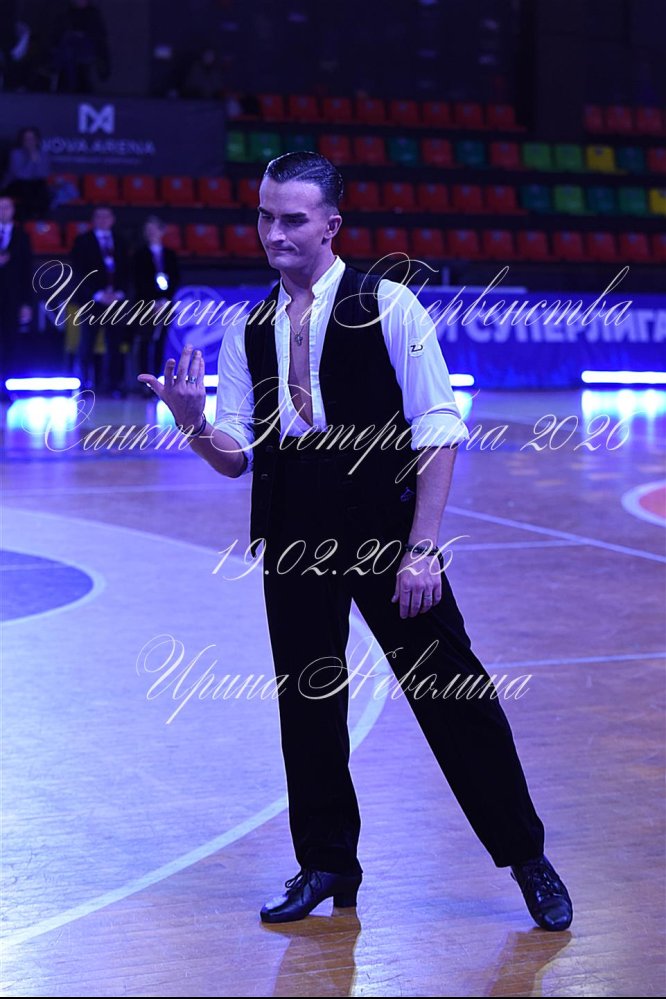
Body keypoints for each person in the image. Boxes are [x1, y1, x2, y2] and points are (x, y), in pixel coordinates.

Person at [138, 151, 573, 933]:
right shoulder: (250, 327)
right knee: (308, 702)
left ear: (331, 224)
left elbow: (438, 428)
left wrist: (422, 547)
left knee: (452, 692)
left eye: (292, 219)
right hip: (292, 524)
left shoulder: (389, 304)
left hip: (384, 523)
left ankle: (526, 855)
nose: (274, 232)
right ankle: (327, 860)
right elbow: (237, 456)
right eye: (265, 216)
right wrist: (194, 423)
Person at [70, 205, 129, 394]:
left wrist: (119, 293)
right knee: (87, 342)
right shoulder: (82, 241)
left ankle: (114, 385)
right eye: (99, 216)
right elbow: (78, 271)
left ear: (112, 219)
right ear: (93, 219)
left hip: (116, 301)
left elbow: (128, 271)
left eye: (106, 216)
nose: (103, 220)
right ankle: (84, 383)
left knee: (115, 343)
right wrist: (97, 294)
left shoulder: (121, 240)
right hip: (91, 301)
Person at [130, 216, 180, 394]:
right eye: (148, 230)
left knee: (160, 343)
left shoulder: (170, 254)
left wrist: (165, 299)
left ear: (161, 231)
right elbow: (138, 280)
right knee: (145, 342)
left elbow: (175, 279)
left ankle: (158, 382)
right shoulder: (139, 255)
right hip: (146, 305)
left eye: (154, 229)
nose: (151, 233)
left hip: (165, 305)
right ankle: (144, 382)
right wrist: (152, 301)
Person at [0, 195, 33, 398]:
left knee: (9, 342)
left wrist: (26, 303)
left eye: (6, 207)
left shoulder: (22, 236)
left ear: (12, 210)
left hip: (12, 299)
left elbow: (27, 271)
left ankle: (4, 386)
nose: (3, 211)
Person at [1, 126, 51, 220]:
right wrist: (31, 159)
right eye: (26, 139)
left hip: (36, 184)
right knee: (26, 188)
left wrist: (36, 159)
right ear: (22, 141)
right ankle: (26, 218)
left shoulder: (43, 155)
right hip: (16, 184)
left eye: (32, 139)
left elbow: (44, 174)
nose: (29, 141)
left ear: (37, 140)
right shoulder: (15, 154)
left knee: (43, 189)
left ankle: (39, 218)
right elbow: (19, 175)